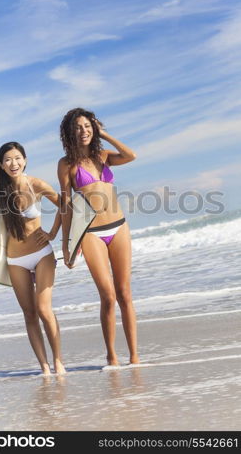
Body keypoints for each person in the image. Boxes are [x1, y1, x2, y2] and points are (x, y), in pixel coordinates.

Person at [58, 108, 139, 366]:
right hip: (91, 233)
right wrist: (66, 244)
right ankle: (112, 355)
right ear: (70, 132)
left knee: (125, 293)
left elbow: (131, 155)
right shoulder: (66, 164)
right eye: (78, 127)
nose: (84, 131)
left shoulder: (103, 156)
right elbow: (66, 204)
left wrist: (105, 133)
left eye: (88, 126)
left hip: (119, 227)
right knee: (108, 296)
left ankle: (135, 356)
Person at [0, 141, 66, 376]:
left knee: (44, 309)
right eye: (8, 160)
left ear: (25, 159)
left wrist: (53, 233)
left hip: (41, 254)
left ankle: (58, 360)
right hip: (15, 260)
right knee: (29, 313)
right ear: (1, 166)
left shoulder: (36, 184)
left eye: (17, 158)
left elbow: (66, 205)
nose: (14, 163)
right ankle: (43, 366)